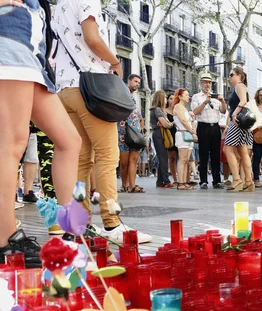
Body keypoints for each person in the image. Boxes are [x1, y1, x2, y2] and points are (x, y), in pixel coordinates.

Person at [53, 0, 152, 244]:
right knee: (108, 158)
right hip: (92, 89)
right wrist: (116, 62)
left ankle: (79, 225)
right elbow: (92, 38)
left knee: (81, 161)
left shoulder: (61, 5)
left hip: (66, 89)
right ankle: (112, 223)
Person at [0, 0, 83, 265]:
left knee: (69, 141)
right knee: (12, 144)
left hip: (31, 55)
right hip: (10, 42)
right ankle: (5, 240)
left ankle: (71, 230)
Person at [191, 73, 226, 190]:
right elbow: (195, 112)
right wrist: (205, 101)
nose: (207, 84)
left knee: (216, 155)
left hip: (215, 127)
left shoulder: (216, 97)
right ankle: (203, 181)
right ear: (201, 83)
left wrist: (223, 101)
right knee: (203, 155)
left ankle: (217, 180)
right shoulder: (196, 97)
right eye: (205, 82)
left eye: (209, 82)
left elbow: (223, 111)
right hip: (203, 126)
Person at [223, 66, 254, 192]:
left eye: (231, 75)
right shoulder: (241, 87)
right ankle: (248, 181)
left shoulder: (239, 86)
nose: (229, 77)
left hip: (238, 123)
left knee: (227, 149)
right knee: (243, 152)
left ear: (238, 75)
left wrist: (234, 115)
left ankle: (237, 179)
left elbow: (243, 101)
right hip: (241, 123)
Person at [117, 74, 145, 193]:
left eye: (138, 82)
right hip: (123, 131)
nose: (137, 84)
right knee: (124, 162)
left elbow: (139, 116)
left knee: (133, 160)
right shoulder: (122, 93)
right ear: (128, 81)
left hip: (135, 132)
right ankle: (124, 185)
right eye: (135, 81)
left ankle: (132, 185)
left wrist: (142, 131)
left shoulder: (135, 97)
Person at [172, 88, 196, 190]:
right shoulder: (178, 107)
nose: (188, 97)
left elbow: (188, 121)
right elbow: (183, 120)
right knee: (182, 160)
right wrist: (192, 131)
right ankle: (181, 182)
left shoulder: (184, 108)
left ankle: (184, 181)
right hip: (182, 134)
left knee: (186, 160)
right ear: (180, 96)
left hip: (187, 134)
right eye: (186, 95)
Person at [150, 90, 174, 188]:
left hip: (158, 133)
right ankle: (165, 180)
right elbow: (165, 124)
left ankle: (160, 181)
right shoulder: (158, 110)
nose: (166, 99)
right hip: (159, 133)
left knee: (162, 157)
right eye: (164, 97)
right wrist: (171, 124)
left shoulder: (156, 110)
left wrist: (167, 123)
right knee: (163, 157)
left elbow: (165, 123)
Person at [165, 93, 179, 184]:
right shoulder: (165, 111)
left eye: (174, 99)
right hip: (170, 134)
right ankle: (175, 178)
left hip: (179, 134)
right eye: (170, 98)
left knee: (182, 157)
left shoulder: (178, 110)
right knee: (172, 157)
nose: (172, 100)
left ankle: (183, 177)